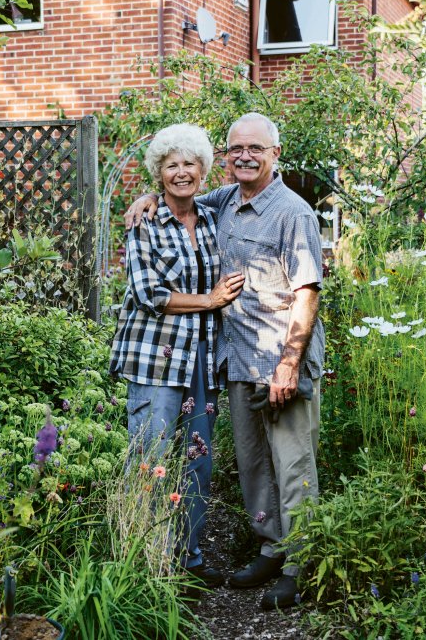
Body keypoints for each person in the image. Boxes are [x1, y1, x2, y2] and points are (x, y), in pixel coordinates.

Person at [124, 113, 325, 610]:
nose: (245, 157)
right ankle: (269, 548)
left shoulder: (293, 213)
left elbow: (307, 293)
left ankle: (301, 563)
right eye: (236, 149)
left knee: (294, 464)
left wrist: (288, 364)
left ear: (275, 154)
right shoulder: (224, 204)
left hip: (282, 361)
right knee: (254, 466)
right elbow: (179, 195)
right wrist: (146, 197)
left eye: (255, 148)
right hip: (236, 360)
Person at [109, 123, 245, 589]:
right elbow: (149, 292)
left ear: (204, 171)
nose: (181, 173)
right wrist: (208, 300)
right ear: (158, 174)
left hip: (200, 360)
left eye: (190, 164)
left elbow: (250, 182)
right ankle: (144, 559)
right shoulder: (145, 221)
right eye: (171, 166)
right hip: (155, 358)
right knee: (150, 455)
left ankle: (189, 557)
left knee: (198, 460)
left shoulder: (209, 217)